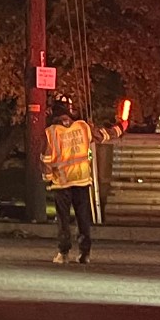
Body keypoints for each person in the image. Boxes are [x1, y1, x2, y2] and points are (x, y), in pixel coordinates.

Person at [41, 95, 125, 264]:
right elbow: (104, 135)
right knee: (83, 218)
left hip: (61, 183)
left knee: (63, 220)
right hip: (82, 180)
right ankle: (84, 253)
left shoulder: (50, 133)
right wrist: (122, 126)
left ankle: (63, 253)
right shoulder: (83, 127)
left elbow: (46, 160)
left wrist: (47, 178)